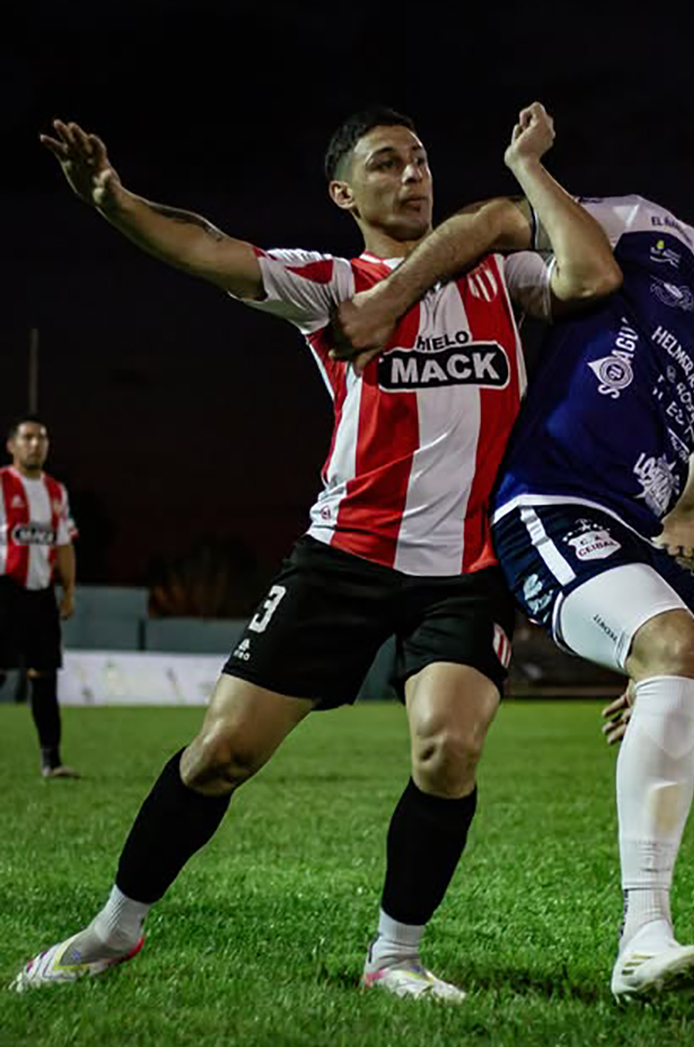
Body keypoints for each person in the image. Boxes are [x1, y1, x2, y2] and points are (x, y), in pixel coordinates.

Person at [12, 104, 620, 997]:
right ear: (344, 192)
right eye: (386, 164)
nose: (412, 175)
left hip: (465, 570)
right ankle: (112, 929)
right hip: (343, 556)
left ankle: (396, 956)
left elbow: (593, 270)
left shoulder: (503, 274)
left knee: (447, 750)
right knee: (221, 753)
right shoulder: (331, 282)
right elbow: (207, 247)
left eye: (419, 160)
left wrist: (528, 172)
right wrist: (114, 200)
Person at [329, 155, 694, 998]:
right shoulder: (649, 235)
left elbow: (685, 517)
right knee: (676, 650)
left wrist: (652, 649)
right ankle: (640, 936)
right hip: (547, 506)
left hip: (632, 544)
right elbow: (499, 220)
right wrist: (391, 296)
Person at [1, 416, 79, 779]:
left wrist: (68, 592)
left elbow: (63, 545)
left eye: (42, 438)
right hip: (5, 589)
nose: (36, 444)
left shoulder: (56, 491)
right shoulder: (1, 484)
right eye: (28, 438)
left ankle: (52, 760)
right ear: (12, 445)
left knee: (44, 677)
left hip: (41, 594)